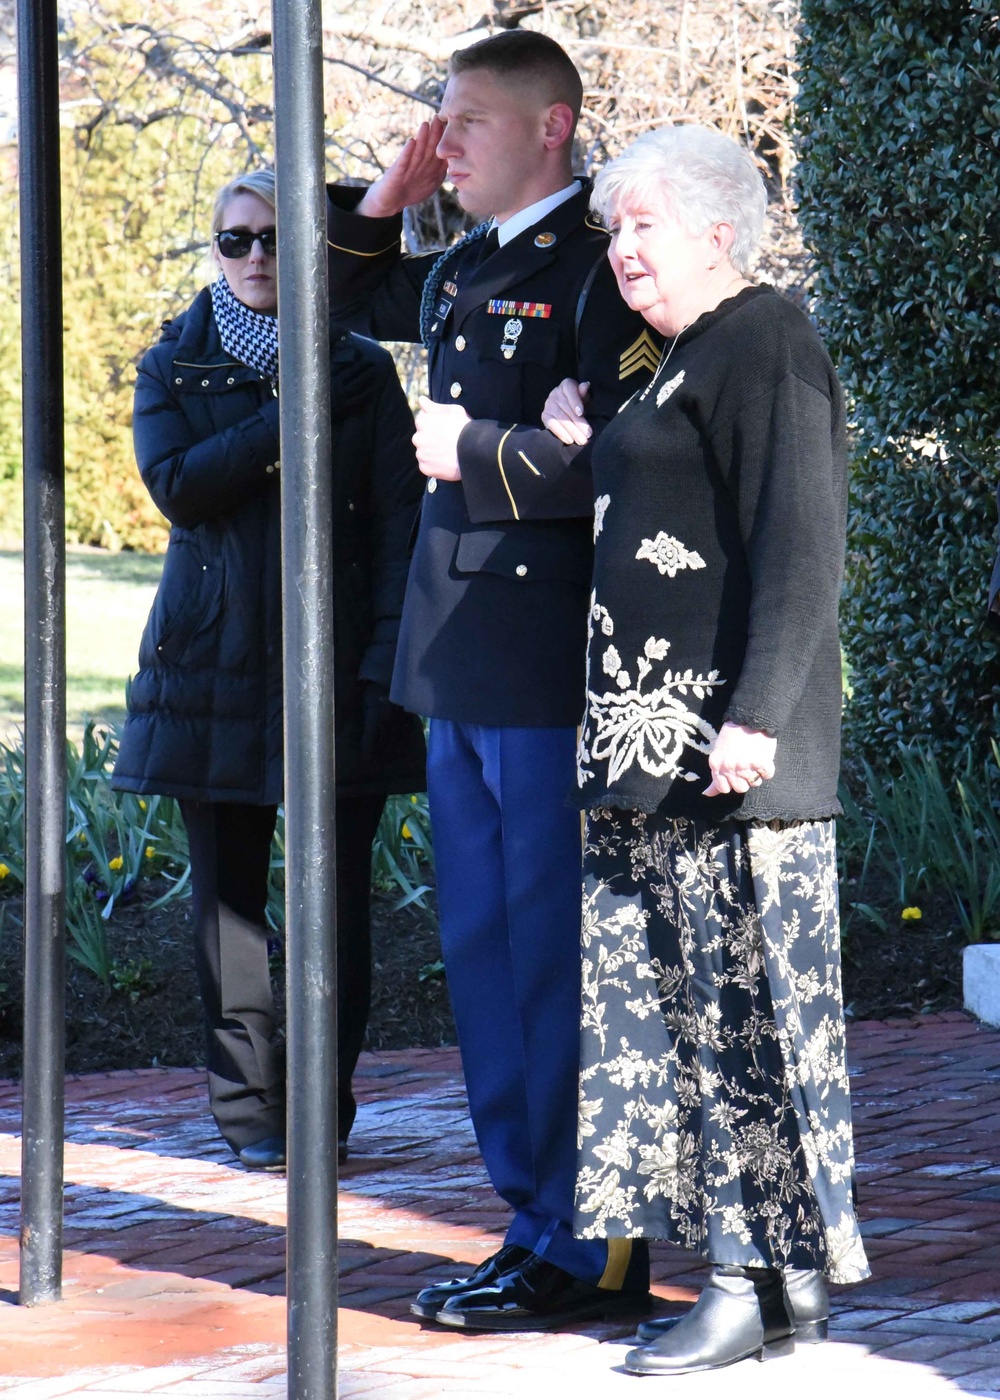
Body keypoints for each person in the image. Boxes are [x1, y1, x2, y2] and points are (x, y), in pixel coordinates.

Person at [326, 31, 661, 1329]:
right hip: (459, 659)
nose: (443, 138)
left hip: (544, 661)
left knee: (554, 959)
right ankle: (533, 1218)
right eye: (440, 117)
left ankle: (593, 1245)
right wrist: (380, 210)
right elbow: (346, 309)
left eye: (464, 119)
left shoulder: (599, 269)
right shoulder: (470, 258)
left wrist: (481, 450)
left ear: (552, 127)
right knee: (483, 953)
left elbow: (632, 457)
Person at [541, 124, 870, 1376]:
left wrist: (756, 714)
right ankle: (777, 1286)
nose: (620, 249)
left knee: (743, 1021)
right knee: (691, 1018)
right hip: (647, 758)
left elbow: (801, 543)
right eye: (612, 227)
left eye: (645, 225)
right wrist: (586, 414)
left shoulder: (764, 337)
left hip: (727, 760)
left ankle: (743, 1278)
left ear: (721, 233)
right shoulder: (667, 358)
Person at [112, 168, 425, 1172]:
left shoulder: (362, 368)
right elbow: (179, 488)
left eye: (271, 239)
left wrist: (384, 672)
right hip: (213, 662)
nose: (252, 257)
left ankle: (318, 1108)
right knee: (228, 909)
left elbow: (397, 528)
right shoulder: (174, 360)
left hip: (337, 667)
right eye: (233, 239)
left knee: (332, 901)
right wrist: (287, 411)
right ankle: (249, 1114)